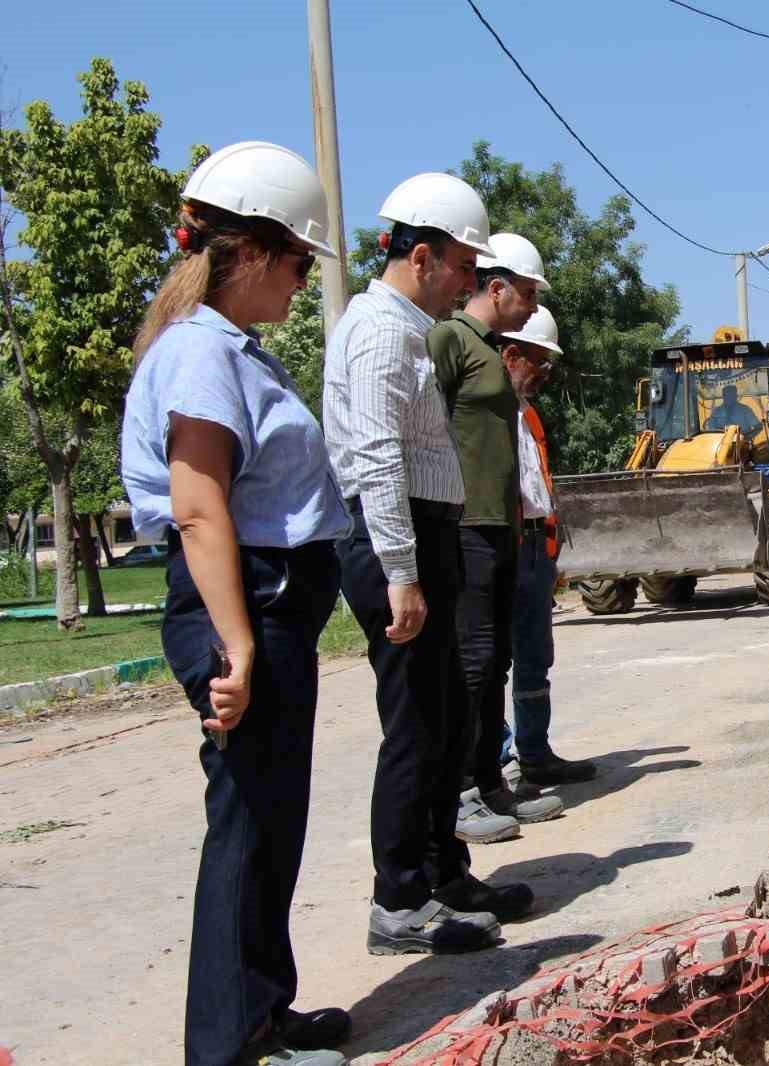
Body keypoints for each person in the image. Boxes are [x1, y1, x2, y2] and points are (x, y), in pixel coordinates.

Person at [122, 141, 350, 1066]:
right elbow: (199, 504)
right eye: (300, 263)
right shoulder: (200, 356)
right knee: (248, 822)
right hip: (241, 604)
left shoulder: (227, 350)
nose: (302, 283)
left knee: (270, 817)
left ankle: (262, 1009)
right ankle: (226, 1044)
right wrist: (238, 647)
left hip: (263, 603)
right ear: (251, 254)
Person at [323, 172, 526, 956]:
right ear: (421, 256)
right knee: (414, 725)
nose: (471, 281)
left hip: (422, 531)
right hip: (392, 537)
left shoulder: (406, 327)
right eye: (463, 266)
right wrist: (401, 571)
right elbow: (375, 457)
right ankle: (399, 899)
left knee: (444, 719)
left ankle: (445, 874)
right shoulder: (379, 329)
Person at [427, 232, 571, 838]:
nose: (534, 307)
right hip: (466, 527)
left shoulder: (486, 351)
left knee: (498, 664)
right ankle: (461, 790)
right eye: (529, 294)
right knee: (472, 665)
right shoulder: (449, 341)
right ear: (498, 286)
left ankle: (491, 783)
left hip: (503, 529)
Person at [495, 308, 599, 794]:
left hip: (535, 545)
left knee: (535, 656)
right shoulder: (482, 412)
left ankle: (535, 753)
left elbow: (540, 486)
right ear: (512, 355)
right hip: (501, 546)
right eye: (542, 363)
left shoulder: (528, 415)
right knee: (491, 661)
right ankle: (497, 762)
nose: (545, 374)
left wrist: (551, 551)